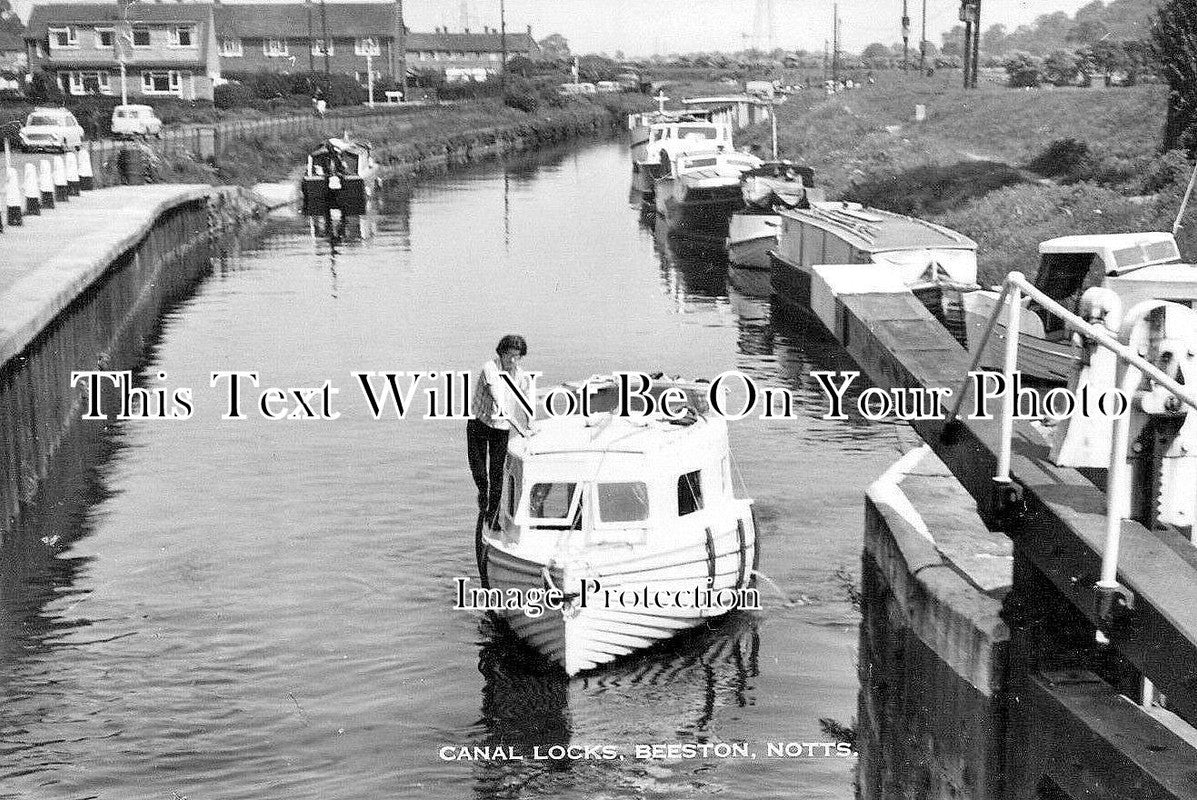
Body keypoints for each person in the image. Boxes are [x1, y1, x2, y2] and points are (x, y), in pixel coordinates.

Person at [468, 334, 534, 530]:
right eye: (509, 356)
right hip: (479, 423)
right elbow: (499, 401)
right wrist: (520, 428)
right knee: (480, 472)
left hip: (500, 429)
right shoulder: (490, 368)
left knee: (497, 475)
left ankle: (493, 517)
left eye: (517, 356)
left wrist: (530, 422)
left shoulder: (520, 375)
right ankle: (482, 492)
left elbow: (525, 399)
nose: (513, 361)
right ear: (501, 354)